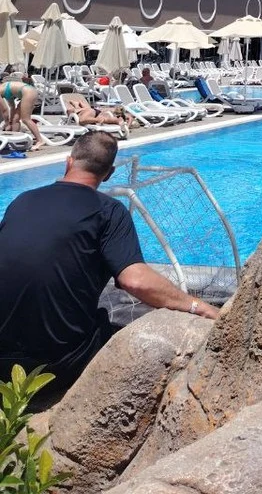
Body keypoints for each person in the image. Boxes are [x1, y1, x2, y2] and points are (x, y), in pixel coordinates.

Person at [0, 132, 218, 404]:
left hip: (3, 360)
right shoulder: (108, 211)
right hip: (52, 366)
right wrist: (198, 306)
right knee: (109, 326)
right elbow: (135, 280)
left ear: (68, 162)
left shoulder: (22, 200)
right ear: (109, 173)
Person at [1, 69, 47, 149]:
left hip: (28, 92)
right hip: (28, 91)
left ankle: (40, 140)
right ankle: (13, 140)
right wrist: (11, 122)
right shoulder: (4, 89)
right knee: (15, 119)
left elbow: (4, 110)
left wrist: (7, 123)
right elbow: (11, 107)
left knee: (26, 119)